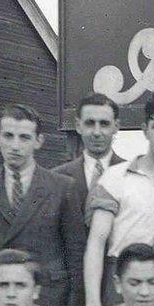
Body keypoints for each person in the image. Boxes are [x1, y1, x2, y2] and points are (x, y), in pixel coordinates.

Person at [0, 104, 84, 306]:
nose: (15, 146)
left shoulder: (62, 187)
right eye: (8, 136)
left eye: (24, 138)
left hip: (47, 296)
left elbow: (75, 255)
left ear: (38, 141)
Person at [83, 90, 154, 306]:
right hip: (121, 278)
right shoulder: (115, 176)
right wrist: (92, 305)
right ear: (145, 130)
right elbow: (96, 243)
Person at [53, 93, 125, 225]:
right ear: (78, 126)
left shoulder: (130, 175)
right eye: (90, 123)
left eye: (104, 124)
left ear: (116, 126)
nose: (97, 132)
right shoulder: (56, 177)